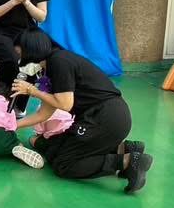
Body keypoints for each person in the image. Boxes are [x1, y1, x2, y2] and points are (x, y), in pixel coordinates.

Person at [12, 29, 153, 193]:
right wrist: (13, 125)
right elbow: (43, 114)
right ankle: (124, 148)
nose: (20, 60)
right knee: (56, 147)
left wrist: (32, 91)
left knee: (64, 164)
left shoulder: (59, 61)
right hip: (110, 116)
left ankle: (129, 161)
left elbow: (65, 104)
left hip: (104, 117)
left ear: (30, 50)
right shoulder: (53, 65)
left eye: (20, 54)